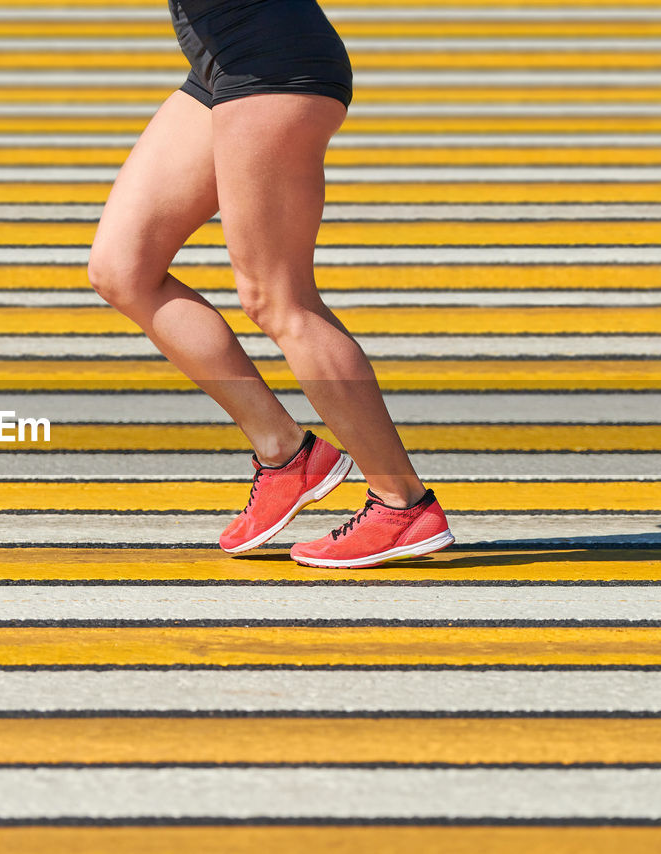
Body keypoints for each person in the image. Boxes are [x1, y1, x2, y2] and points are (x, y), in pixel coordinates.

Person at [88, 0, 454, 569]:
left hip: (272, 66)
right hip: (221, 66)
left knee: (278, 299)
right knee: (122, 269)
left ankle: (401, 503)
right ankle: (286, 453)